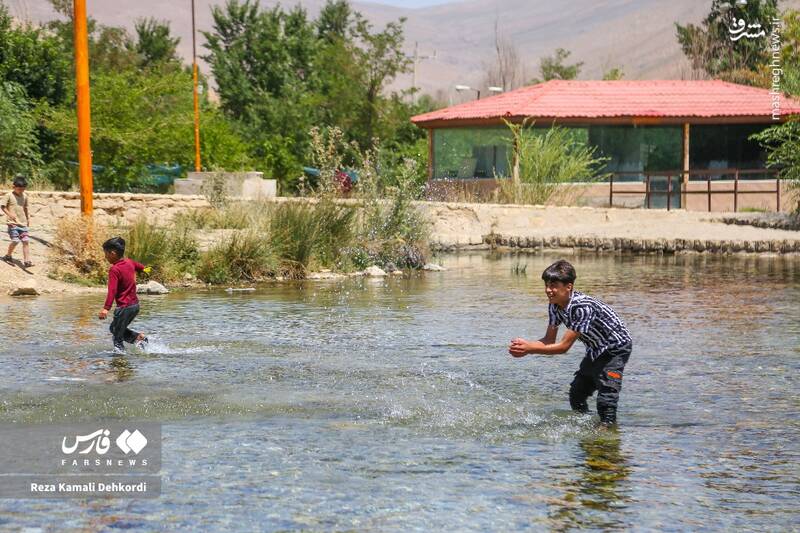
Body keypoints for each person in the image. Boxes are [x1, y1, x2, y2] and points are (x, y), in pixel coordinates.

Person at [508, 260, 632, 425]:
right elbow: (549, 340)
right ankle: (585, 426)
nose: (548, 290)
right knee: (577, 394)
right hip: (595, 349)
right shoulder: (554, 305)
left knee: (607, 396)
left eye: (553, 286)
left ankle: (608, 431)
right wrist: (526, 346)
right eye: (546, 285)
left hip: (616, 348)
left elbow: (563, 347)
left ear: (568, 287)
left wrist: (529, 349)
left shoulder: (582, 307)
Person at [99, 237, 149, 353]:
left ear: (113, 253)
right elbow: (142, 267)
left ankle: (119, 358)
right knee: (114, 328)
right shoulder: (129, 262)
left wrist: (106, 309)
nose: (105, 257)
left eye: (106, 254)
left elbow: (112, 290)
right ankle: (138, 338)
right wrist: (148, 270)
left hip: (124, 308)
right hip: (135, 306)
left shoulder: (114, 269)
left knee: (117, 337)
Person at [2, 175, 33, 267]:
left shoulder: (25, 196)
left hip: (23, 223)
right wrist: (10, 214)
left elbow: (25, 208)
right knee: (15, 241)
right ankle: (8, 255)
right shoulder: (8, 195)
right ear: (13, 187)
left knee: (26, 241)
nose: (21, 191)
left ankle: (27, 261)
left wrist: (28, 219)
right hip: (12, 223)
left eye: (23, 189)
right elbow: (3, 207)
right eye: (19, 189)